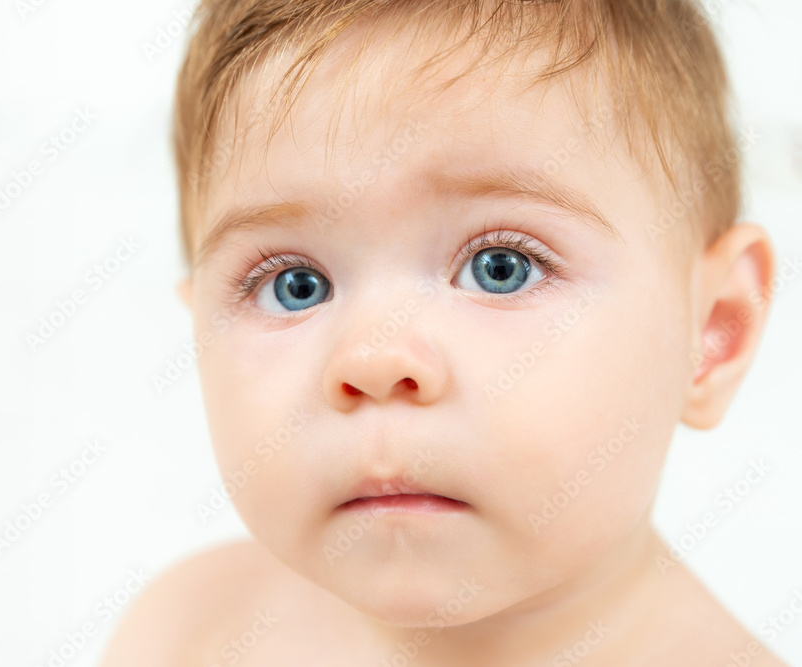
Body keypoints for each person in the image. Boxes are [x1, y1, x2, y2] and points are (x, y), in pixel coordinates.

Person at [102, 0, 787, 664]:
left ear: (711, 329)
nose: (371, 358)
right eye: (294, 284)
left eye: (502, 268)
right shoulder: (187, 628)